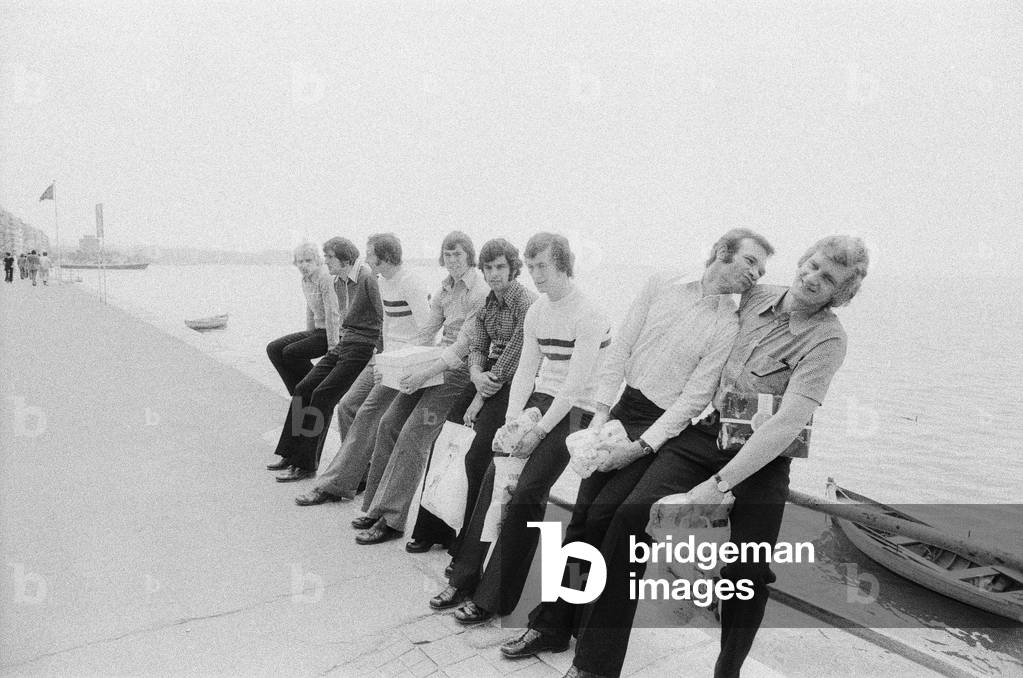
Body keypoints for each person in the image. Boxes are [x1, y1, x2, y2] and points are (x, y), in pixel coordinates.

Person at [563, 235, 869, 678]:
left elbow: (786, 425)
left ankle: (727, 670)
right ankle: (594, 665)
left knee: (748, 568)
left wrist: (720, 484)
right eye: (813, 265)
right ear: (804, 260)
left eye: (829, 278)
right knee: (631, 518)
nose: (813, 278)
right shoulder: (757, 295)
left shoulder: (828, 341)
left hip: (763, 459)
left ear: (841, 293)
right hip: (708, 435)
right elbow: (708, 290)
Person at [499, 228, 773, 661]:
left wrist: (641, 446)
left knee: (614, 523)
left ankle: (592, 647)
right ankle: (552, 625)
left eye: (762, 269)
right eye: (751, 261)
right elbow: (622, 346)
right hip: (621, 409)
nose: (756, 274)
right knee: (584, 519)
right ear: (723, 252)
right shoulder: (663, 281)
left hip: (662, 431)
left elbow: (694, 399)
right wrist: (603, 416)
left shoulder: (728, 324)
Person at [438, 232, 612, 625]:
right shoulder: (538, 312)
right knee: (494, 477)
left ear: (564, 264)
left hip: (575, 410)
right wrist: (512, 422)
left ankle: (494, 597)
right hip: (540, 401)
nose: (536, 275)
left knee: (528, 491)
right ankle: (465, 576)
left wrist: (536, 432)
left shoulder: (590, 312)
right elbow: (526, 373)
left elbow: (576, 386)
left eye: (543, 267)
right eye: (531, 267)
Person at [352, 230, 492, 545]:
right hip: (434, 364)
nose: (452, 260)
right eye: (448, 254)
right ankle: (376, 507)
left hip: (459, 372)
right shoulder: (444, 291)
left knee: (414, 435)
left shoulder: (479, 291)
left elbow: (464, 346)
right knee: (388, 424)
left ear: (469, 256)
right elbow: (426, 332)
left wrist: (423, 371)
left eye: (458, 254)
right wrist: (390, 363)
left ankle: (392, 519)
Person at [407, 238, 537, 555]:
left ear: (513, 268)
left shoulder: (527, 303)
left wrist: (480, 395)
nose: (494, 274)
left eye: (500, 267)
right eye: (488, 268)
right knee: (444, 443)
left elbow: (518, 353)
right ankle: (431, 528)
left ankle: (464, 539)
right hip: (485, 375)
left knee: (477, 453)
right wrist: (477, 376)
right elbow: (477, 345)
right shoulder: (485, 303)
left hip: (516, 379)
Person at [294, 233, 433, 505]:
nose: (366, 259)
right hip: (381, 357)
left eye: (370, 254)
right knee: (343, 405)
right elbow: (384, 326)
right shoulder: (380, 281)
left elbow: (427, 331)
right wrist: (380, 356)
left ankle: (335, 480)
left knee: (366, 413)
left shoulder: (409, 282)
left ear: (385, 256)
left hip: (402, 363)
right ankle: (352, 472)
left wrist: (398, 363)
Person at [267, 238, 382, 482]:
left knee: (321, 395)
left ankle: (306, 464)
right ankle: (289, 452)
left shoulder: (367, 278)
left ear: (345, 258)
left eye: (329, 257)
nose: (325, 261)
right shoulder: (339, 281)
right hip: (344, 343)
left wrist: (379, 355)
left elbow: (382, 319)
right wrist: (335, 347)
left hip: (362, 348)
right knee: (303, 388)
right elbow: (340, 319)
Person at [266, 242, 342, 395]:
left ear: (317, 261)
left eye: (308, 261)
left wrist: (333, 348)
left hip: (333, 332)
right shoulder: (305, 280)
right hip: (317, 332)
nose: (303, 265)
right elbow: (310, 309)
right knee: (273, 349)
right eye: (300, 261)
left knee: (291, 352)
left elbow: (332, 312)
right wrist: (308, 335)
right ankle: (297, 395)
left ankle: (321, 388)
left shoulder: (325, 277)